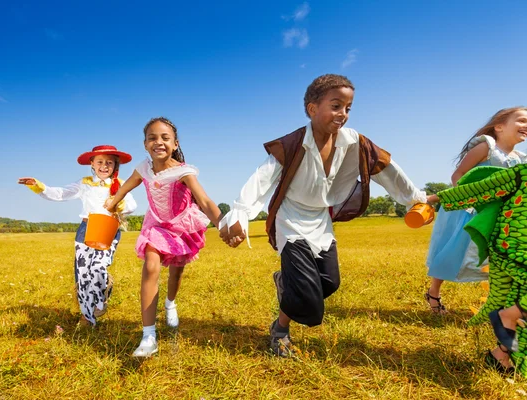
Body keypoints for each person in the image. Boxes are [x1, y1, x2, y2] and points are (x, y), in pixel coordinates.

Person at [219, 73, 435, 357]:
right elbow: (262, 179)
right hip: (291, 219)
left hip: (321, 219)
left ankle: (285, 285)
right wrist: (241, 213)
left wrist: (416, 199)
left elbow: (387, 169)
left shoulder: (355, 142)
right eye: (336, 106)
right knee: (310, 307)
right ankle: (281, 331)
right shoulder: (293, 143)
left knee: (330, 283)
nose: (342, 114)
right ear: (312, 109)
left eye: (348, 107)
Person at [105, 117, 222, 357]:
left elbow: (205, 201)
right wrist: (112, 203)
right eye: (152, 138)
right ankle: (149, 336)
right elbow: (126, 187)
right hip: (156, 224)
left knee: (177, 272)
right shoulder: (143, 169)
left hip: (181, 227)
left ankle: (170, 303)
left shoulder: (184, 172)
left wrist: (223, 224)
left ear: (175, 144)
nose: (158, 142)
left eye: (165, 138)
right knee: (150, 266)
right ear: (145, 144)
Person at [433, 107, 527, 374]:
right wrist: (471, 202)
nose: (526, 125)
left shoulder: (519, 158)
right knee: (450, 255)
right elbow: (458, 177)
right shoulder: (487, 147)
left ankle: (505, 334)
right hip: (468, 210)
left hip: (498, 220)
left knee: (484, 263)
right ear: (498, 126)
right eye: (521, 120)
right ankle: (434, 294)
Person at [18, 145, 137, 327]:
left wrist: (116, 204)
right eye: (100, 162)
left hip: (108, 230)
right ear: (92, 164)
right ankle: (87, 318)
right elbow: (61, 194)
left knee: (98, 268)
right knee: (83, 275)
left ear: (115, 165)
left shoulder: (120, 184)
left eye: (109, 163)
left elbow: (132, 205)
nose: (104, 166)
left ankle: (102, 294)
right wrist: (38, 186)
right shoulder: (84, 183)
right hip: (86, 229)